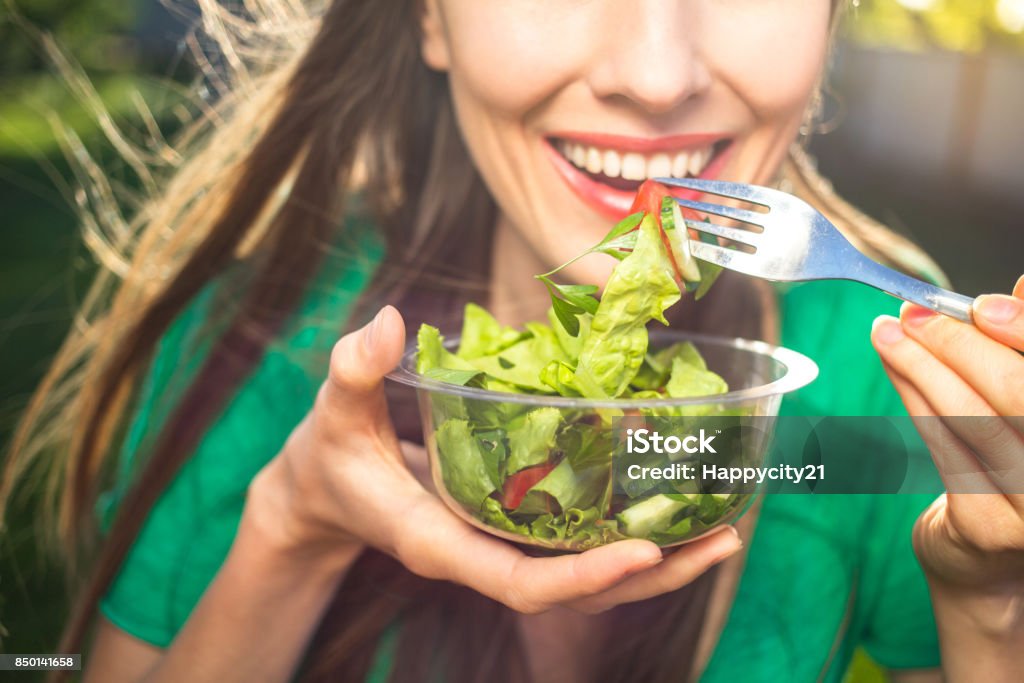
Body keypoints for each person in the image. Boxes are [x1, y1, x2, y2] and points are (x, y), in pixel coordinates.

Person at [4, 1, 1022, 681]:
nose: (657, 74)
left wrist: (990, 600)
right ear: (430, 15)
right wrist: (293, 526)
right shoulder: (264, 344)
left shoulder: (893, 381)